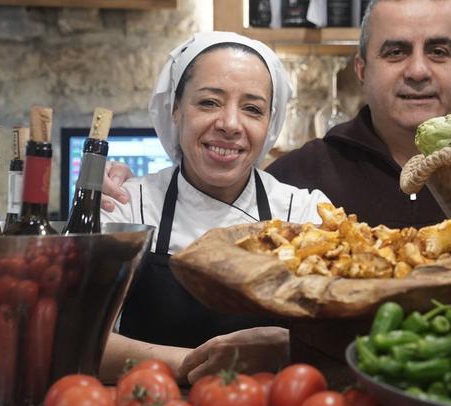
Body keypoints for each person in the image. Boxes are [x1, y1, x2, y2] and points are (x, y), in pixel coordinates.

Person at [266, 0, 451, 339]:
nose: (418, 71)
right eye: (396, 52)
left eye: (438, 51)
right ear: (362, 69)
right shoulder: (293, 179)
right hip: (336, 392)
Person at [99, 32, 330, 383]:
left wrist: (285, 345)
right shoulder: (128, 208)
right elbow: (84, 344)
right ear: (175, 110)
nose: (230, 124)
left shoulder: (306, 214)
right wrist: (208, 363)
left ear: (270, 124)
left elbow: (339, 341)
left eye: (252, 109)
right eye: (208, 102)